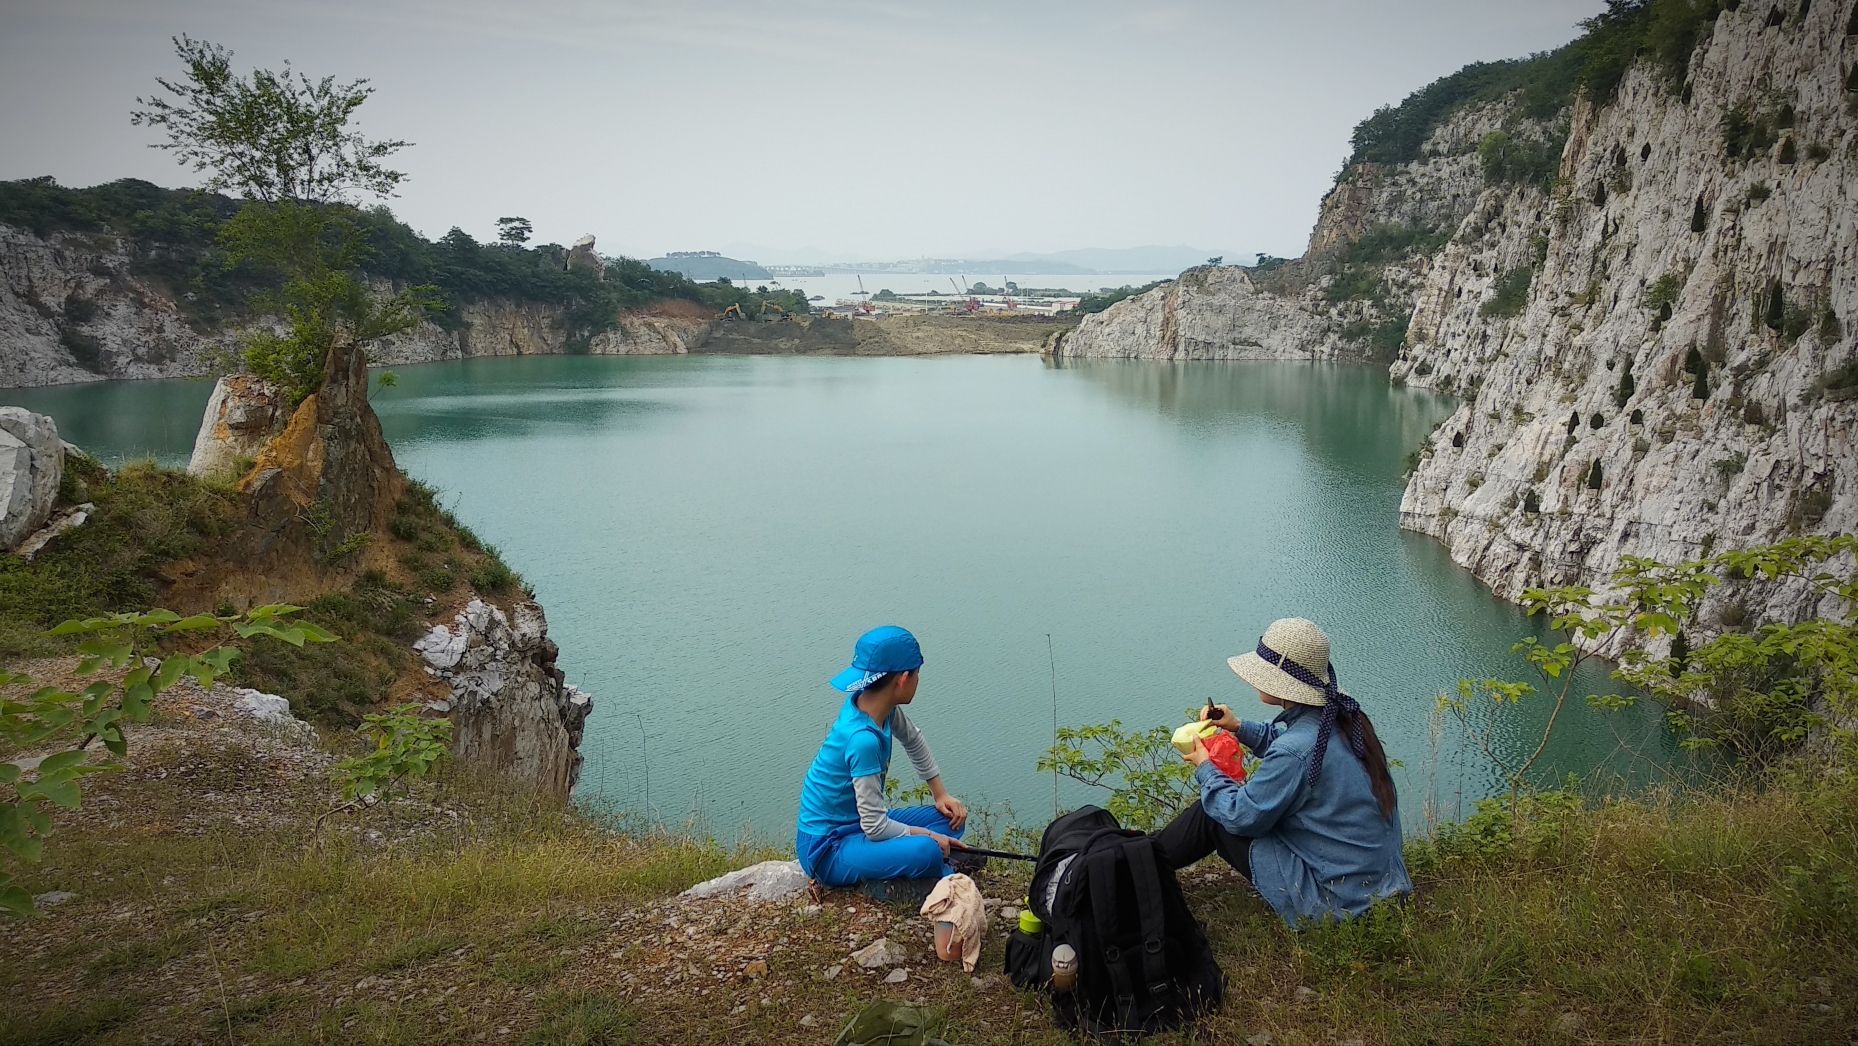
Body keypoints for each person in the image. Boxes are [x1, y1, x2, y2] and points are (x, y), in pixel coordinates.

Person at [1152, 617, 1412, 926]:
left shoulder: (1297, 749)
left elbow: (1240, 815)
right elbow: (1298, 749)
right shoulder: (1345, 719)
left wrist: (1205, 766)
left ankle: (1139, 868)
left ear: (1284, 685)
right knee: (1236, 804)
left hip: (1339, 906)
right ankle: (1143, 860)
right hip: (1382, 892)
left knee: (1216, 813)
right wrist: (1237, 727)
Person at [795, 625, 970, 888]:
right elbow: (876, 828)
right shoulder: (862, 740)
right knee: (927, 849)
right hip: (827, 849)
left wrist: (940, 794)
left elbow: (913, 739)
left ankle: (929, 862)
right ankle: (930, 874)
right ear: (903, 678)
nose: (918, 681)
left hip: (859, 827)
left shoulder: (877, 706)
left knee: (951, 821)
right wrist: (930, 837)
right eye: (917, 674)